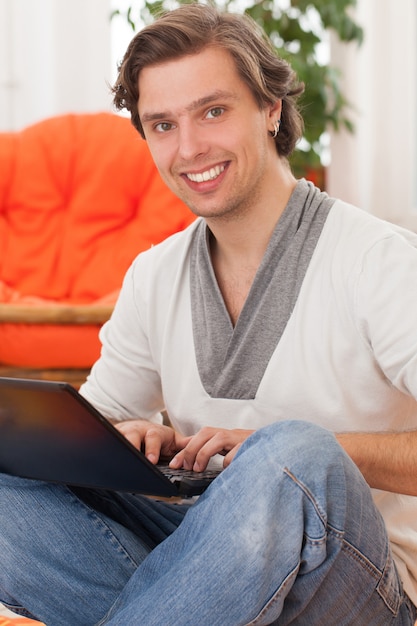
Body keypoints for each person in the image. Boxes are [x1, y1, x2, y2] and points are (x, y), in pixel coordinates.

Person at [1, 3, 417, 624]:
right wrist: (130, 439)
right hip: (201, 560)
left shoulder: (378, 260)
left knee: (291, 456)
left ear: (270, 110)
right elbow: (102, 419)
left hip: (358, 582)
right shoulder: (154, 275)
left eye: (213, 111)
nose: (189, 148)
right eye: (162, 125)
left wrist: (275, 452)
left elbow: (287, 464)